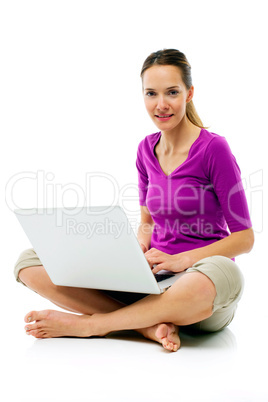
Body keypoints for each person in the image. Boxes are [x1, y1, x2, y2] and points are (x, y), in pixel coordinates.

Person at [14, 49, 254, 352]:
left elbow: (245, 239)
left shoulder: (213, 149)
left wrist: (185, 260)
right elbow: (147, 223)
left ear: (189, 94)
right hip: (152, 283)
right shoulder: (145, 149)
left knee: (222, 274)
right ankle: (147, 326)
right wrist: (133, 251)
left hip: (199, 283)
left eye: (172, 92)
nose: (161, 104)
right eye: (151, 93)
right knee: (29, 261)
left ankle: (92, 325)